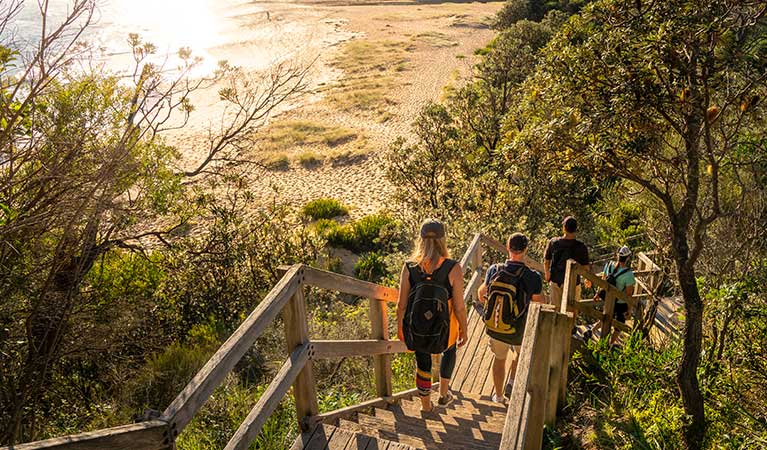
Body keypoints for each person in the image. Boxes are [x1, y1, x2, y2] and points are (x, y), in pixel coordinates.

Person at [397, 219, 468, 412]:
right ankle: (444, 395)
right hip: (446, 327)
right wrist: (464, 329)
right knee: (450, 350)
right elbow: (460, 307)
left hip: (418, 324)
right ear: (443, 240)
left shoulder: (410, 267)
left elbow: (401, 304)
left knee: (423, 361)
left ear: (420, 240)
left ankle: (426, 407)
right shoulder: (453, 268)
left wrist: (400, 329)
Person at [477, 232, 544, 404]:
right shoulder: (533, 277)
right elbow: (539, 304)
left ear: (507, 247)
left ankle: (498, 397)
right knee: (520, 354)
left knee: (499, 359)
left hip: (496, 325)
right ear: (526, 249)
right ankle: (513, 381)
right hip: (519, 328)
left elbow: (481, 294)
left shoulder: (495, 270)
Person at [586, 246, 636, 345]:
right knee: (619, 323)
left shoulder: (609, 265)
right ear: (628, 258)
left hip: (608, 298)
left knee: (606, 316)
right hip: (620, 302)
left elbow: (603, 282)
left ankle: (591, 331)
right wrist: (629, 309)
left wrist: (597, 294)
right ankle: (610, 343)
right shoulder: (629, 274)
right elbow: (629, 295)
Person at [544, 216, 590, 307]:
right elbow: (585, 268)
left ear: (564, 228)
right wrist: (587, 279)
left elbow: (546, 260)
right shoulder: (581, 247)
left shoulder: (553, 242)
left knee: (555, 311)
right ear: (576, 229)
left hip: (556, 281)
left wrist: (547, 273)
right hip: (573, 284)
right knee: (571, 312)